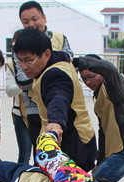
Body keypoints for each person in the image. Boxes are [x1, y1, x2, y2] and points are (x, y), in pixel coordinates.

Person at [13, 28, 97, 172]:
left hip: (72, 146)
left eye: (28, 60)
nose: (23, 66)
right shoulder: (55, 64)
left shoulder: (55, 74)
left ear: (46, 54)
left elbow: (58, 98)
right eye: (19, 60)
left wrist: (55, 124)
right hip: (72, 142)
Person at [12, 2, 73, 151]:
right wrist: (54, 64)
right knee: (41, 153)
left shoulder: (60, 39)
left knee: (68, 152)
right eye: (26, 22)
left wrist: (40, 70)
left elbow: (69, 68)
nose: (31, 24)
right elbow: (22, 81)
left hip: (62, 105)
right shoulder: (19, 44)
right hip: (33, 109)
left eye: (35, 19)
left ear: (44, 18)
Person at [74, 55, 124, 182]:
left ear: (102, 73)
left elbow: (110, 69)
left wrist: (73, 61)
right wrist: (99, 162)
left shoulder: (113, 86)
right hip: (117, 152)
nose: (88, 82)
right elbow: (103, 132)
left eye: (91, 77)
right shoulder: (99, 95)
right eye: (83, 79)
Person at [6, 29, 33, 164]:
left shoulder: (41, 62)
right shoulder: (12, 65)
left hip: (41, 113)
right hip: (21, 114)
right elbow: (10, 91)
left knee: (45, 155)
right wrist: (29, 83)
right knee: (24, 154)